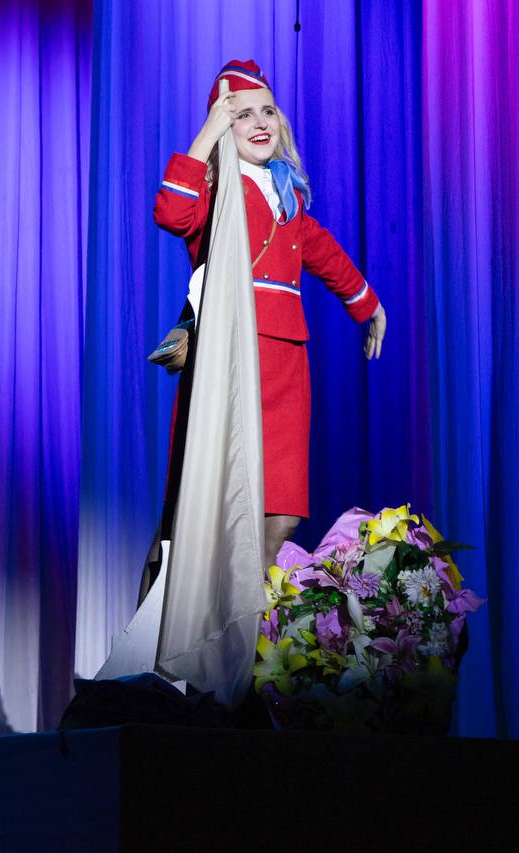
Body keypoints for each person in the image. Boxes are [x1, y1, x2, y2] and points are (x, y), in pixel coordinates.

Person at [153, 59, 387, 573]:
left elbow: (323, 252)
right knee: (191, 520)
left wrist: (368, 305)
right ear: (222, 124)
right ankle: (163, 619)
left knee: (281, 516)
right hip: (227, 355)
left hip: (285, 363)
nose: (260, 123)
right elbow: (171, 213)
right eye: (242, 115)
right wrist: (209, 131)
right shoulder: (213, 189)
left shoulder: (288, 193)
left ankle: (255, 620)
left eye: (268, 112)